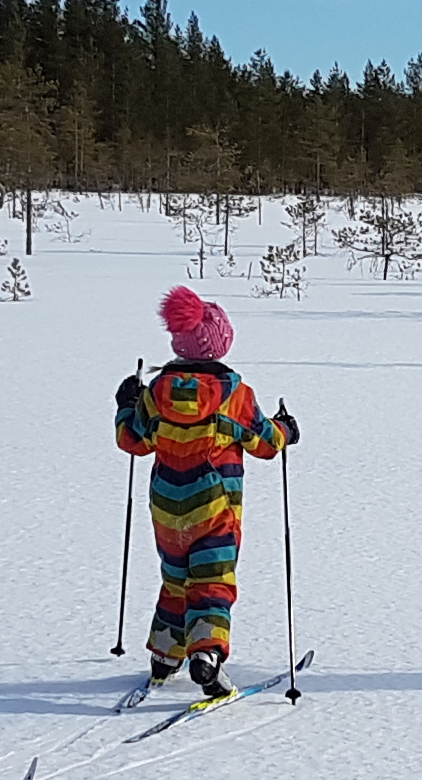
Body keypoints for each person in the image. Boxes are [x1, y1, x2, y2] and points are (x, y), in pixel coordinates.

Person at [112, 286, 298, 699]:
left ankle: (164, 655)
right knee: (211, 581)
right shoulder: (236, 395)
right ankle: (207, 654)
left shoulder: (157, 393)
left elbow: (132, 441)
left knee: (175, 578)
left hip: (165, 509)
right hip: (215, 511)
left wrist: (126, 403)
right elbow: (266, 443)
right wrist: (287, 429)